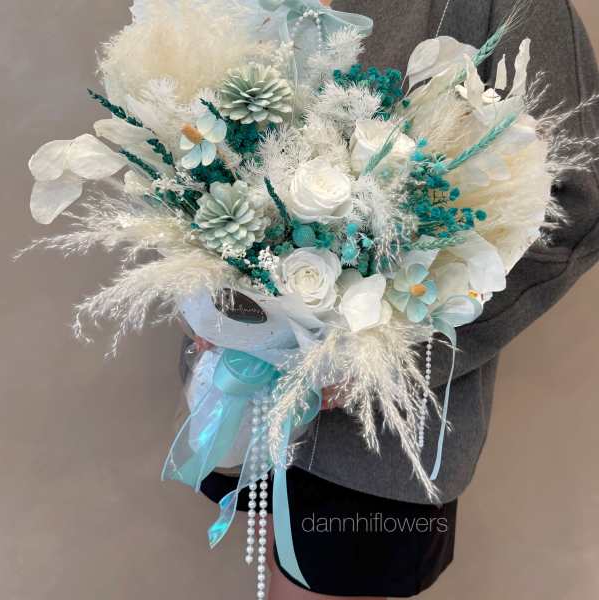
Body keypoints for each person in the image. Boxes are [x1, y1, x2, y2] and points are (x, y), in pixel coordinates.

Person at [185, 0, 599, 598]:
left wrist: (388, 354)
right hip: (235, 393)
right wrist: (209, 304)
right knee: (269, 572)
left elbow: (575, 201)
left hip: (375, 437)